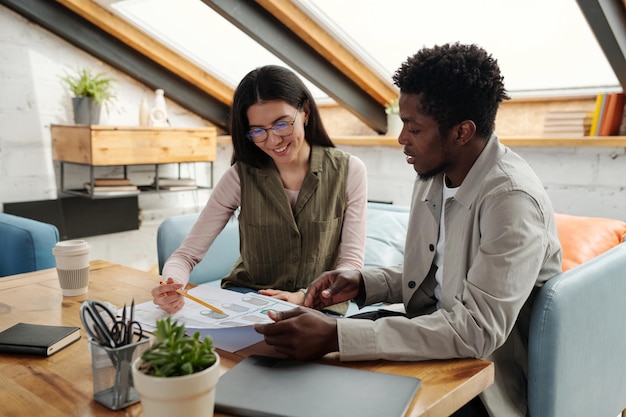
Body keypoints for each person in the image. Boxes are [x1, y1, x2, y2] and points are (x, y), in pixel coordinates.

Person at [254, 43, 562, 416]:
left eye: (414, 128)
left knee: (332, 364)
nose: (402, 138)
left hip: (485, 380)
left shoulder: (512, 200)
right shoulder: (434, 176)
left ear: (463, 132)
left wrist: (337, 334)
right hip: (432, 334)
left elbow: (476, 331)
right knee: (290, 361)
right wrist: (365, 282)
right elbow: (442, 275)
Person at [152, 65, 368, 315]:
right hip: (247, 301)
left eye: (282, 124)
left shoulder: (350, 171)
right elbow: (185, 256)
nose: (274, 141)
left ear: (305, 112)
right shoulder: (239, 178)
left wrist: (302, 297)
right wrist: (170, 285)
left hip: (319, 306)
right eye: (257, 131)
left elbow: (351, 268)